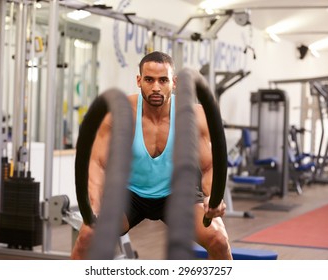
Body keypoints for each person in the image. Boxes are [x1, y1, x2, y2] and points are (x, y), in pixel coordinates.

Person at [71, 51, 232, 260]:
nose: (156, 87)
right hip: (129, 193)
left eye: (163, 80)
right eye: (149, 79)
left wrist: (212, 197)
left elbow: (209, 166)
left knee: (218, 239)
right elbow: (97, 163)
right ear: (139, 81)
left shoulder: (194, 116)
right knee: (87, 236)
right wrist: (93, 206)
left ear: (174, 83)